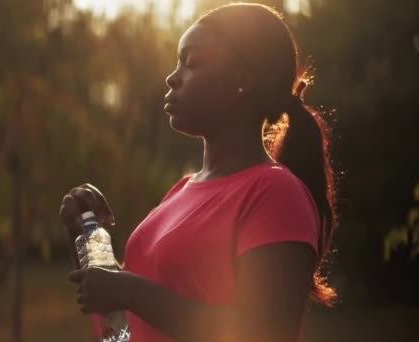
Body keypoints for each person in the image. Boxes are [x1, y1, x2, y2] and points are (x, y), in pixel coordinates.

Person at [59, 3, 338, 341]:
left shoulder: (277, 195)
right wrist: (86, 240)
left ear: (242, 79)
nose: (172, 77)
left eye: (191, 62)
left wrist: (130, 290)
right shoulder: (182, 191)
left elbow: (265, 333)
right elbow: (130, 326)